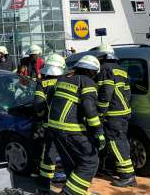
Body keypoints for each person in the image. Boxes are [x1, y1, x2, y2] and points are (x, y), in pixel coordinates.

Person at [41, 55, 105, 195]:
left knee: (71, 162)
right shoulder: (87, 82)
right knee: (90, 161)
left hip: (54, 129)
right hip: (71, 130)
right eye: (94, 73)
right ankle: (69, 192)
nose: (94, 76)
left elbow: (50, 101)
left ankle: (78, 191)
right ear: (90, 71)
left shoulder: (62, 79)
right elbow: (89, 109)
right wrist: (98, 131)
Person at [96, 44, 136, 187]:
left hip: (113, 114)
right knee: (122, 141)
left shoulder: (105, 69)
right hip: (124, 112)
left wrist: (100, 113)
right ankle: (123, 171)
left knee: (115, 143)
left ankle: (128, 176)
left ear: (101, 57)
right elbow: (128, 93)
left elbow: (105, 94)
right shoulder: (121, 70)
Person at [34, 54, 66, 193]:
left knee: (49, 152)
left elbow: (38, 105)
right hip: (68, 124)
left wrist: (41, 116)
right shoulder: (67, 81)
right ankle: (62, 175)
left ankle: (45, 181)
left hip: (50, 124)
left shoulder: (42, 84)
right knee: (64, 150)